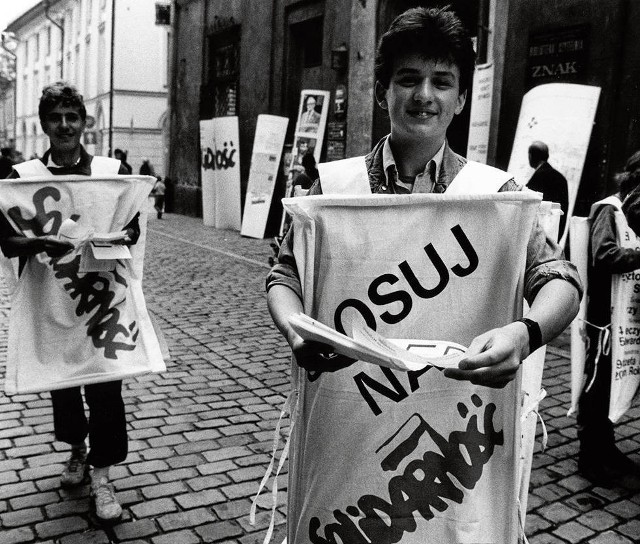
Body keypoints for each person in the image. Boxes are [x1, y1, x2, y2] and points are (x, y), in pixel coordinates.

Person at [268, 6, 581, 388]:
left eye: (442, 82)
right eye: (409, 79)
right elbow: (285, 276)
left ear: (462, 99)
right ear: (383, 92)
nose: (424, 95)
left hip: (459, 419)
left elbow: (559, 278)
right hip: (342, 417)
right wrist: (295, 330)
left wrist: (525, 334)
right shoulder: (333, 187)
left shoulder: (497, 196)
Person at [1, 82, 138, 521]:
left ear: (84, 122)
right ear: (43, 124)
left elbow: (134, 222)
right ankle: (77, 449)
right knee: (62, 383)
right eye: (56, 118)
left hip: (100, 301)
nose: (64, 126)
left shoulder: (109, 170)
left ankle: (102, 474)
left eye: (72, 117)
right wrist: (38, 240)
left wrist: (118, 237)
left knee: (106, 385)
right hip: (54, 301)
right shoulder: (23, 179)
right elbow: (5, 238)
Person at [577, 150, 640, 490]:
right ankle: (590, 458)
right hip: (603, 318)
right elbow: (603, 254)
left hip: (621, 317)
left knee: (612, 383)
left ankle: (606, 446)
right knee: (597, 386)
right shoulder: (608, 209)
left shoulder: (627, 210)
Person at [527, 141, 569, 239]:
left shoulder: (538, 177)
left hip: (539, 236)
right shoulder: (561, 178)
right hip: (554, 234)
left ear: (531, 156)